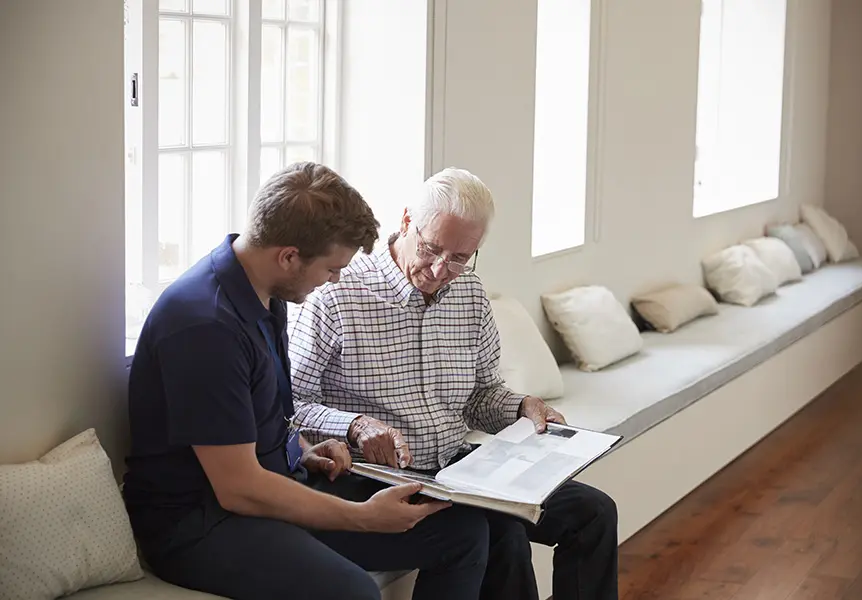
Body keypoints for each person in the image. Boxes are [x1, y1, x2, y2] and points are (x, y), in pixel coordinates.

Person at [122, 163, 490, 600]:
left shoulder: (266, 292)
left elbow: (265, 417)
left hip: (267, 486)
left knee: (462, 533)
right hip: (200, 523)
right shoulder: (205, 324)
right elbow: (239, 488)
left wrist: (304, 450)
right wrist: (362, 516)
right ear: (289, 256)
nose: (334, 279)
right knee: (352, 592)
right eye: (332, 268)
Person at [287, 167, 619, 600]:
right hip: (374, 478)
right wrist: (356, 425)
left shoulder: (471, 295)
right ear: (406, 221)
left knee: (593, 512)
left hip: (459, 469)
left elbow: (482, 394)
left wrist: (521, 408)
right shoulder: (336, 295)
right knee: (503, 535)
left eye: (461, 257)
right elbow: (292, 404)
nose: (442, 269)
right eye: (431, 249)